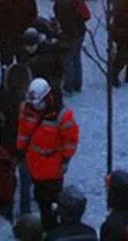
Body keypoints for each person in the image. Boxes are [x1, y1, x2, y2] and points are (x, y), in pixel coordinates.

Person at [15, 79, 79, 220]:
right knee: (40, 198)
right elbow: (23, 131)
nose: (36, 105)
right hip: (34, 164)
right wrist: (20, 150)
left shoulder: (62, 116)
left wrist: (65, 160)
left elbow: (70, 140)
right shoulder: (27, 108)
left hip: (52, 168)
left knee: (51, 202)